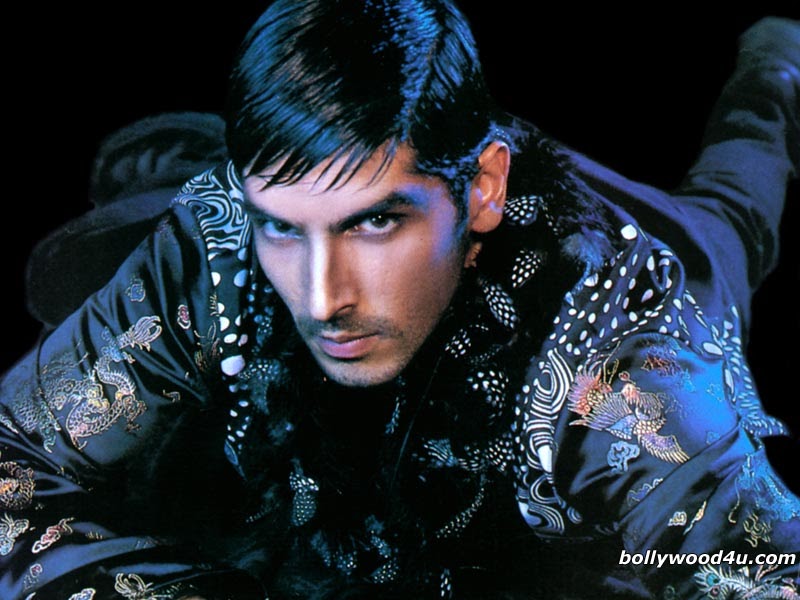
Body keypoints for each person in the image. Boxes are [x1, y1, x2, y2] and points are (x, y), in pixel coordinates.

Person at [1, 2, 798, 598]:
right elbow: (9, 464)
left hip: (687, 255)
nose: (322, 299)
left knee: (736, 204)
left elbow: (767, 576)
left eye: (375, 222)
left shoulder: (621, 369)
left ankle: (777, 63)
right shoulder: (222, 236)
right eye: (283, 227)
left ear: (484, 190)